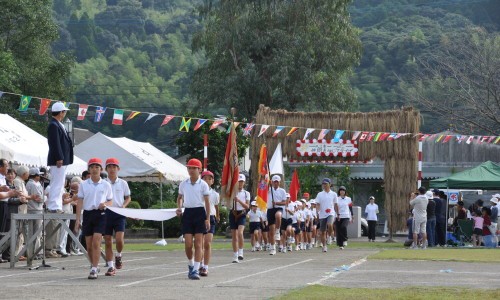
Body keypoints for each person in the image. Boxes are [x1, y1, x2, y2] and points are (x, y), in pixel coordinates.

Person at [74, 158, 113, 280]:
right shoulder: (84, 184)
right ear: (89, 170)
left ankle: (94, 269)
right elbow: (80, 200)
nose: (94, 169)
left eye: (97, 167)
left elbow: (111, 200)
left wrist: (105, 204)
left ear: (101, 169)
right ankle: (93, 264)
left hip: (101, 214)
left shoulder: (106, 184)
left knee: (96, 241)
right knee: (89, 245)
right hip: (88, 214)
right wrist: (77, 219)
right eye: (92, 167)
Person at [176, 159, 210, 280]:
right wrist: (179, 207)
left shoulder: (203, 184)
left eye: (193, 168)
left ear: (199, 170)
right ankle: (191, 265)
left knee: (198, 243)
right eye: (189, 168)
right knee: (188, 244)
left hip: (199, 212)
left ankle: (196, 269)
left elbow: (207, 203)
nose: (190, 170)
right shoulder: (183, 184)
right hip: (188, 213)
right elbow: (179, 197)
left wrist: (207, 219)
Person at [103, 158, 131, 276]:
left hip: (119, 213)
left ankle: (118, 255)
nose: (112, 169)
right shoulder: (103, 182)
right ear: (106, 169)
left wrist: (124, 205)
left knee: (119, 239)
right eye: (109, 167)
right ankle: (110, 266)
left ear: (118, 169)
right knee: (108, 240)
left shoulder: (123, 183)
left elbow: (128, 197)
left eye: (114, 167)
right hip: (106, 213)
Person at [47, 102, 73, 217]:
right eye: (64, 111)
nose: (65, 113)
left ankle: (56, 205)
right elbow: (54, 143)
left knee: (60, 182)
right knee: (57, 183)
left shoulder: (58, 124)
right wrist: (59, 157)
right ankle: (53, 206)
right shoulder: (53, 125)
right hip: (59, 159)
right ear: (61, 112)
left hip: (62, 158)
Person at [0, 159, 21, 263]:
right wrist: (10, 193)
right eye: (6, 166)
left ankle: (1, 253)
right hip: (2, 204)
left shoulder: (3, 178)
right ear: (1, 167)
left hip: (4, 204)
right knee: (2, 230)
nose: (7, 168)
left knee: (3, 231)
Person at [200, 170, 219, 276]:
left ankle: (205, 267)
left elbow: (215, 206)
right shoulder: (198, 191)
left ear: (212, 181)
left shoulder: (215, 194)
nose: (207, 181)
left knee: (207, 243)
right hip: (200, 217)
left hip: (210, 217)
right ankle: (199, 264)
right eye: (205, 178)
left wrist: (218, 216)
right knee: (199, 244)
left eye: (209, 178)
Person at [25, 168, 45, 260]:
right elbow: (39, 198)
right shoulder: (33, 184)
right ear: (35, 175)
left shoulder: (33, 184)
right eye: (38, 175)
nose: (40, 176)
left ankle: (33, 251)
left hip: (33, 209)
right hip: (35, 209)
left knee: (34, 232)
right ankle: (35, 252)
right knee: (37, 232)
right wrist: (45, 198)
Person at [229, 174, 249, 262]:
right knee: (234, 236)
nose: (240, 183)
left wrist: (239, 201)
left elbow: (247, 206)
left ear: (244, 183)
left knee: (240, 233)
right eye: (239, 182)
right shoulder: (232, 192)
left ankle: (241, 251)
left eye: (241, 182)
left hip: (241, 214)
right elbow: (228, 203)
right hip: (233, 213)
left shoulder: (246, 193)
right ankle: (235, 255)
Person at [315, 178, 338, 252]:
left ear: (330, 184)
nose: (324, 185)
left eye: (326, 184)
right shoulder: (320, 194)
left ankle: (329, 236)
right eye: (323, 184)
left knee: (330, 224)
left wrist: (338, 213)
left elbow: (335, 204)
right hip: (322, 214)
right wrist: (317, 212)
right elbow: (318, 204)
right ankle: (324, 246)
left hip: (330, 213)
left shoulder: (334, 194)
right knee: (322, 232)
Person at [266, 175, 287, 255]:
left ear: (279, 182)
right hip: (270, 209)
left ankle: (278, 230)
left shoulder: (282, 191)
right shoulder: (269, 190)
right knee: (271, 231)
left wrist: (277, 203)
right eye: (274, 181)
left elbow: (285, 202)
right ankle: (273, 247)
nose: (276, 183)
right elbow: (262, 185)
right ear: (272, 182)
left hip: (278, 208)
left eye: (277, 182)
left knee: (278, 216)